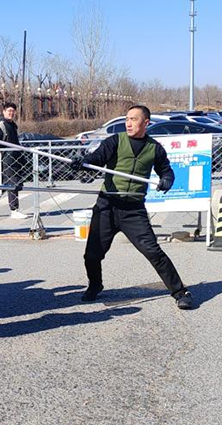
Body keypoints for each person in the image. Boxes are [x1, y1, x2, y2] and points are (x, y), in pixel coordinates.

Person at [70, 105, 194, 310]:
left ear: (146, 123)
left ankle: (181, 292)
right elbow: (96, 159)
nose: (128, 123)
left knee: (153, 252)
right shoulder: (115, 141)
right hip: (107, 205)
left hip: (133, 210)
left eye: (133, 119)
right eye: (127, 119)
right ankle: (95, 284)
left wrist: (167, 179)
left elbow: (166, 170)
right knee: (92, 255)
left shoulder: (155, 148)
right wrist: (82, 162)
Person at [0, 102, 28, 219]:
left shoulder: (13, 125)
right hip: (6, 160)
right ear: (4, 112)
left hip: (14, 159)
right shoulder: (0, 126)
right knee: (13, 184)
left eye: (13, 111)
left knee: (3, 186)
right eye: (9, 111)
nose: (11, 113)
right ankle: (14, 210)